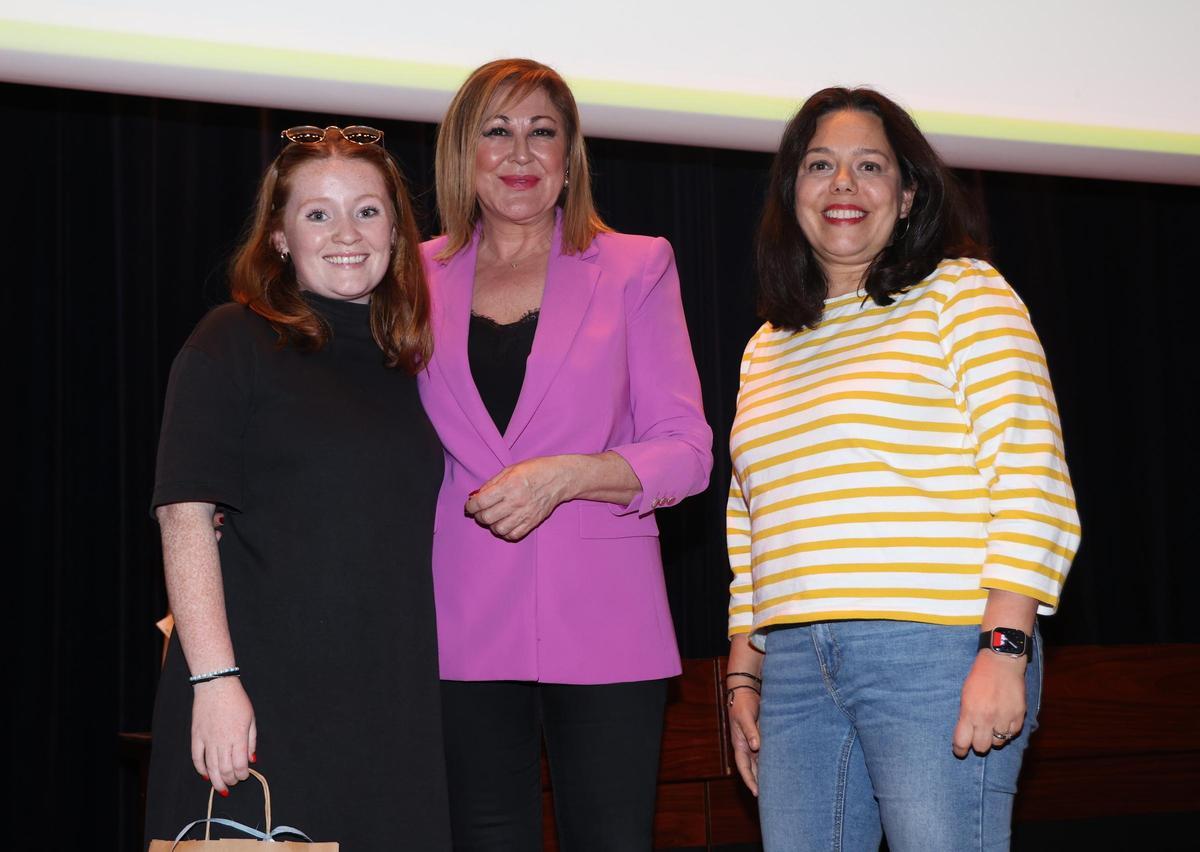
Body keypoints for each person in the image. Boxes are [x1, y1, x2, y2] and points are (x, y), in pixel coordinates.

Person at [725, 88, 1080, 851]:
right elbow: (752, 519)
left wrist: (1004, 648)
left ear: (908, 192)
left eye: (869, 165)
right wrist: (744, 671)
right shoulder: (767, 346)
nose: (843, 184)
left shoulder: (963, 295)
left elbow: (1030, 474)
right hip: (793, 666)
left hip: (935, 653)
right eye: (820, 164)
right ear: (792, 192)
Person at [417, 59, 713, 850]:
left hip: (606, 616)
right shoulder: (411, 275)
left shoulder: (635, 265)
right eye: (498, 131)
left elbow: (687, 451)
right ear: (462, 152)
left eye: (542, 132)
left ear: (570, 154)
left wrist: (568, 476)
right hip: (462, 615)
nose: (521, 154)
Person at [144, 125, 451, 850]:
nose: (347, 232)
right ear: (280, 236)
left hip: (390, 708)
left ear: (398, 232)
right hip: (261, 706)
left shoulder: (405, 363)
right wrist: (214, 682)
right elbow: (184, 514)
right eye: (317, 213)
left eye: (368, 210)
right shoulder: (231, 340)